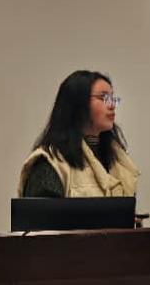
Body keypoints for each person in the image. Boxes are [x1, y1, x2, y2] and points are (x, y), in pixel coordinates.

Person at [18, 70, 140, 200]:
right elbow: (43, 212)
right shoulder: (51, 162)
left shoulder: (119, 161)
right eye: (103, 98)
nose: (112, 105)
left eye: (113, 99)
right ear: (78, 103)